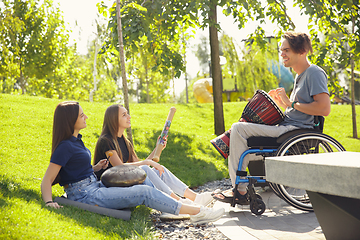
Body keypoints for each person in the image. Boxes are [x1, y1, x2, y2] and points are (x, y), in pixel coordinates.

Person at [41, 101, 225, 225]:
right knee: (144, 191)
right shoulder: (65, 146)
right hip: (84, 194)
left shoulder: (76, 142)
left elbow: (75, 169)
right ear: (70, 120)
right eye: (82, 116)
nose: (86, 117)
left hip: (94, 185)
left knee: (145, 177)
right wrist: (49, 202)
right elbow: (47, 180)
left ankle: (187, 207)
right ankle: (196, 212)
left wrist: (95, 168)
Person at [214, 31, 331, 204]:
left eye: (287, 50)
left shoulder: (314, 73)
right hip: (288, 126)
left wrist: (290, 104)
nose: (282, 53)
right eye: (281, 50)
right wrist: (282, 103)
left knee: (238, 129)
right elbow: (300, 109)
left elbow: (324, 108)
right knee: (241, 132)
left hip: (294, 131)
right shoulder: (299, 75)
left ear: (302, 51)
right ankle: (239, 189)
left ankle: (240, 191)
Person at [93, 104, 217, 207]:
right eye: (124, 115)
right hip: (109, 185)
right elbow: (119, 166)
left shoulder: (125, 142)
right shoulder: (106, 141)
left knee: (159, 171)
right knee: (147, 168)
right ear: (114, 119)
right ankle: (177, 202)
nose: (129, 117)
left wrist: (158, 148)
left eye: (127, 113)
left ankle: (196, 198)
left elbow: (140, 164)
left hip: (123, 180)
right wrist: (148, 163)